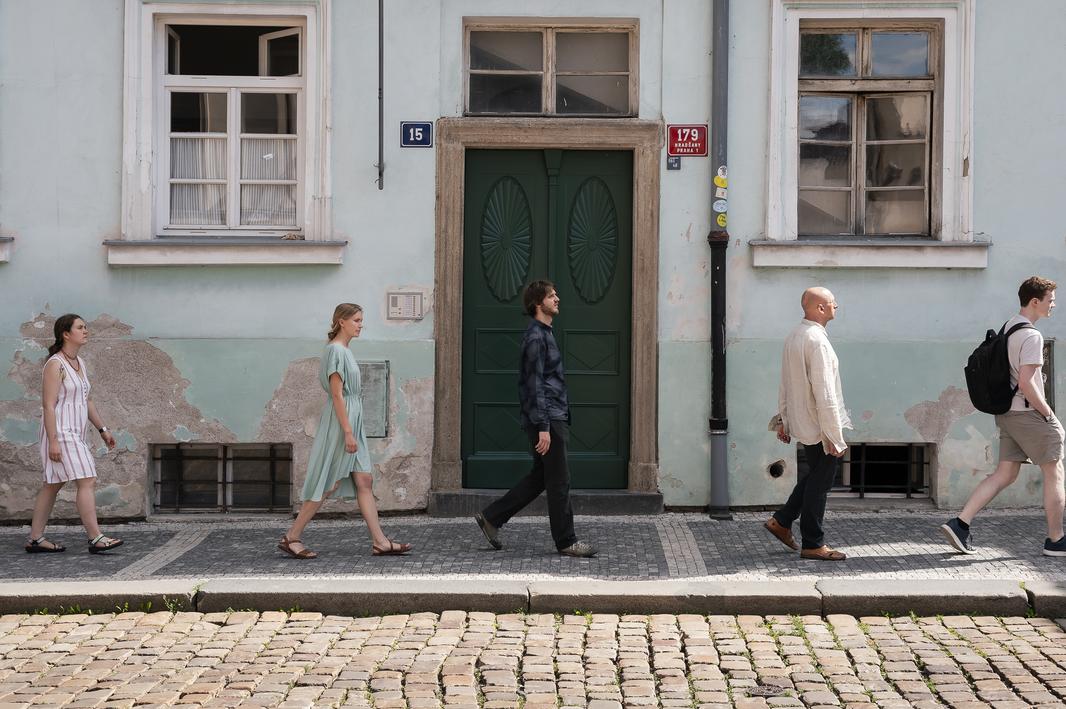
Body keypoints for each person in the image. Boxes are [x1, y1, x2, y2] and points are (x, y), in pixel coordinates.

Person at [941, 276, 1066, 556]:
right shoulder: (1032, 336)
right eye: (1051, 300)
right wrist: (1048, 414)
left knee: (1005, 473)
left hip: (1008, 414)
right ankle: (1056, 540)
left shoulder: (1010, 325)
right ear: (1036, 301)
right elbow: (1026, 382)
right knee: (1055, 472)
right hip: (1029, 415)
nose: (1054, 305)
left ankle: (960, 524)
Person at [474, 281, 597, 558]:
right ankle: (566, 541)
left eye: (556, 293)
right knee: (559, 481)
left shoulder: (544, 334)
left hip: (551, 416)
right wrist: (543, 427)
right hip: (548, 418)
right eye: (551, 296)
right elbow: (534, 385)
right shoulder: (535, 338)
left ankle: (492, 517)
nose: (558, 298)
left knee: (542, 477)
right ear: (537, 303)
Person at [278, 303, 411, 558]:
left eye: (362, 320)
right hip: (342, 423)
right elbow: (337, 396)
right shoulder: (335, 352)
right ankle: (291, 537)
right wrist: (348, 432)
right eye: (357, 320)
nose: (361, 325)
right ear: (342, 321)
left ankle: (380, 542)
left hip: (353, 421)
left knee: (364, 480)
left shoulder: (346, 351)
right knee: (329, 482)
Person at [765, 287, 851, 561]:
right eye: (831, 302)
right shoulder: (817, 341)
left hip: (805, 422)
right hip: (819, 425)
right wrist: (834, 435)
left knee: (815, 476)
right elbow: (824, 393)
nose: (837, 305)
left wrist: (785, 420)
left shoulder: (794, 336)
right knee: (821, 483)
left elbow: (785, 384)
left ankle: (781, 521)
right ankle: (813, 543)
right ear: (820, 309)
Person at [26, 314, 122, 554]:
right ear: (66, 334)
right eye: (80, 327)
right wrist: (54, 441)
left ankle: (35, 539)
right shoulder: (55, 364)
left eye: (85, 327)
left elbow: (86, 400)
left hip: (74, 433)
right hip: (60, 432)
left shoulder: (79, 363)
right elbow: (48, 405)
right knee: (87, 479)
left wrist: (103, 429)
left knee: (53, 484)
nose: (86, 330)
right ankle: (95, 537)